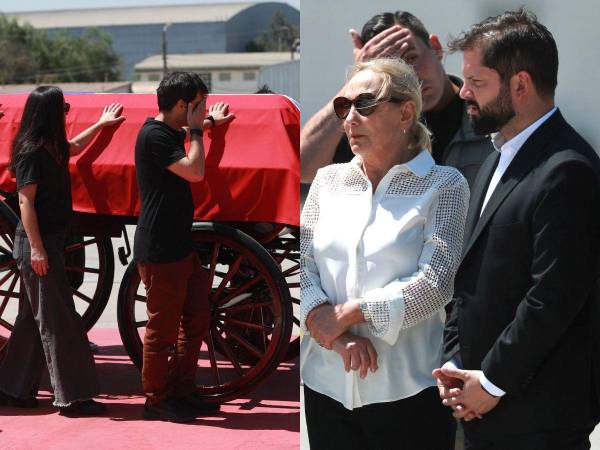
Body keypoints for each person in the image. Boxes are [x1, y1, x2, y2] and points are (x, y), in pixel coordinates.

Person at [433, 9, 600, 449]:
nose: (464, 92)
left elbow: (553, 297)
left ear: (520, 85)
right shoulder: (495, 156)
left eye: (477, 82)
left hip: (537, 419)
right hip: (480, 407)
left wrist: (489, 383)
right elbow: (467, 278)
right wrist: (455, 366)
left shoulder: (568, 169)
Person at [300, 57, 469, 450]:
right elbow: (306, 267)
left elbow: (436, 283)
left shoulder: (444, 185)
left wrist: (349, 313)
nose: (351, 119)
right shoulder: (328, 181)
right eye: (345, 107)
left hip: (409, 391)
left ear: (406, 112)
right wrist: (336, 339)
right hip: (325, 383)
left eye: (366, 105)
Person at [0, 86, 124, 416]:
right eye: (64, 109)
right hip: (36, 245)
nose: (67, 113)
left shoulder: (52, 147)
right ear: (51, 114)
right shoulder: (30, 152)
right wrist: (38, 250)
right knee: (61, 322)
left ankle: (13, 389)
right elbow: (25, 204)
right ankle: (73, 398)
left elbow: (75, 146)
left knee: (31, 321)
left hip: (46, 243)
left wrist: (101, 124)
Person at [133, 72, 234, 423]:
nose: (203, 109)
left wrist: (205, 122)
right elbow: (194, 172)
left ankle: (182, 389)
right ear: (181, 106)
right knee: (161, 330)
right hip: (160, 249)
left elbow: (184, 132)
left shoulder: (168, 130)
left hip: (179, 246)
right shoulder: (154, 136)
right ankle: (156, 399)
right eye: (198, 103)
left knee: (196, 318)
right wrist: (197, 130)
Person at [300, 11, 494, 190]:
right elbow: (304, 167)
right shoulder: (377, 122)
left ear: (436, 48)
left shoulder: (488, 114)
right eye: (393, 70)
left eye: (411, 57)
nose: (410, 76)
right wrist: (359, 78)